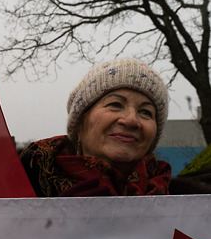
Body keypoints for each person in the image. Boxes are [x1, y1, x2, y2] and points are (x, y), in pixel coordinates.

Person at [19, 59, 174, 197]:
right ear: (80, 122)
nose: (131, 120)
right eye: (115, 104)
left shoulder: (188, 207)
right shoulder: (20, 186)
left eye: (145, 112)